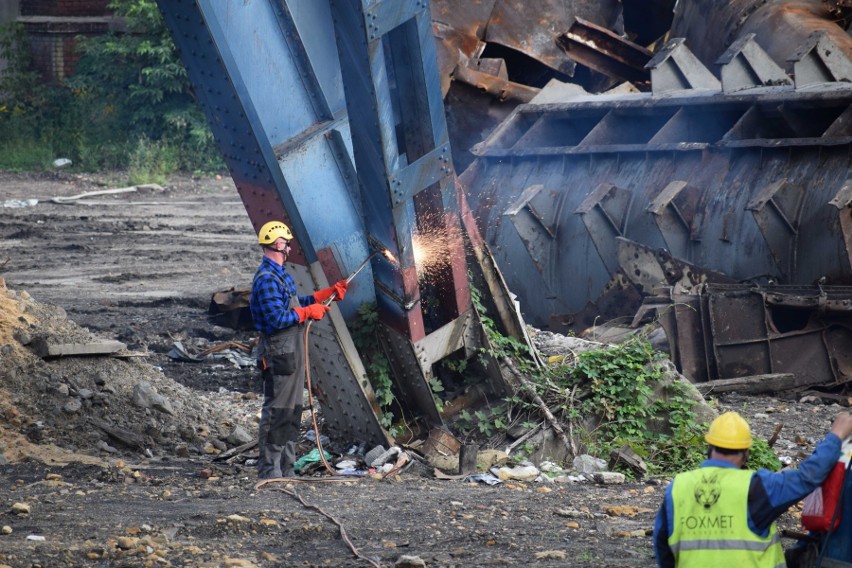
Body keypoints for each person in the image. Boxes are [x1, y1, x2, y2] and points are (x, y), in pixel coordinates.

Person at [653, 410, 852, 567]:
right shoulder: (758, 487)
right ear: (746, 452)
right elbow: (808, 477)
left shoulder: (677, 487)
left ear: (709, 446)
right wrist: (836, 435)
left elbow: (663, 547)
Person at [249, 220, 348, 479]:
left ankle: (286, 467)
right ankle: (269, 469)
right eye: (286, 243)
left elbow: (294, 303)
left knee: (292, 411)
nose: (289, 248)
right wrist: (306, 312)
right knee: (277, 411)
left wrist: (322, 296)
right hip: (278, 352)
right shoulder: (267, 279)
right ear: (277, 244)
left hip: (290, 351)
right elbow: (275, 320)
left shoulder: (281, 274)